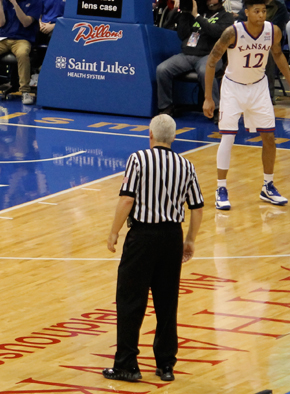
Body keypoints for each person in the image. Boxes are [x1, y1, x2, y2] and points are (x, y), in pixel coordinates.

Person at [101, 114, 204, 384]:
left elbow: (126, 199)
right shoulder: (186, 165)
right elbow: (197, 207)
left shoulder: (139, 159)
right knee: (167, 304)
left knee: (130, 301)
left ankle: (126, 365)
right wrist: (190, 239)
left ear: (150, 135)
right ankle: (166, 365)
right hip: (172, 237)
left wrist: (114, 232)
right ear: (173, 137)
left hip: (143, 237)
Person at [205, 0, 290, 211]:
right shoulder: (232, 32)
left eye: (264, 10)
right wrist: (208, 98)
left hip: (259, 88)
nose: (261, 15)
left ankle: (268, 186)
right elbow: (211, 62)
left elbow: (278, 55)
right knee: (228, 139)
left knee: (269, 138)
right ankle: (221, 188)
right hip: (232, 88)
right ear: (246, 12)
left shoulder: (273, 31)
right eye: (257, 11)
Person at [155, 0, 233, 114]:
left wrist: (197, 16)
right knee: (162, 69)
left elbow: (215, 32)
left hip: (209, 56)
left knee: (205, 71)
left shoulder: (226, 17)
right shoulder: (196, 11)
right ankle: (166, 107)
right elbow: (183, 35)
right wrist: (185, 14)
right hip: (187, 54)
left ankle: (216, 109)